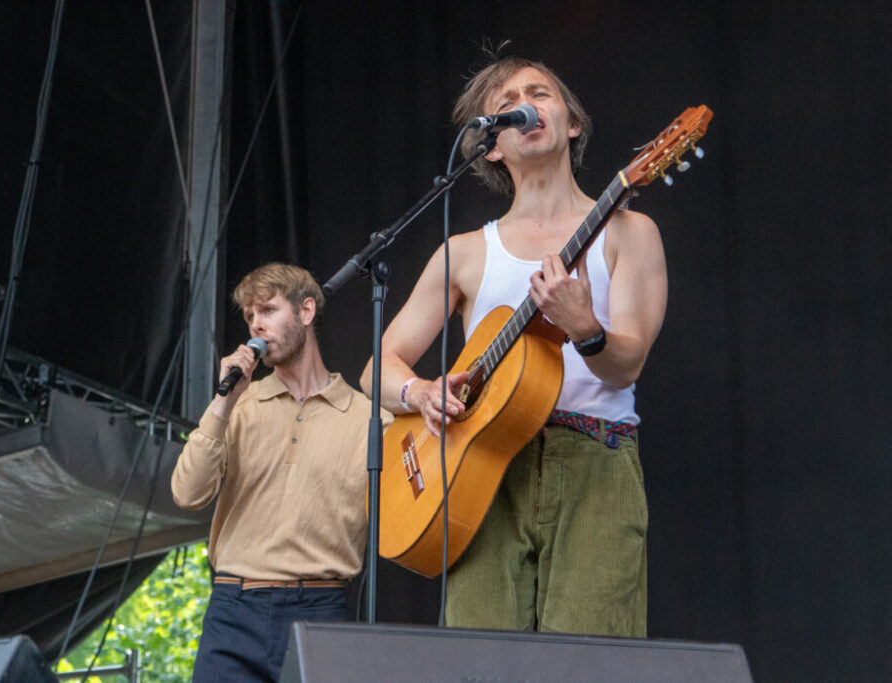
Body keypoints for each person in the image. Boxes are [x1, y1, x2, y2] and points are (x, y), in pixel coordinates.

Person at [360, 56, 667, 638]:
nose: (526, 104)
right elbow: (379, 368)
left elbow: (626, 366)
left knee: (590, 664)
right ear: (492, 147)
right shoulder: (464, 252)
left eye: (540, 93)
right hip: (479, 467)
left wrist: (585, 328)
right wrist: (420, 392)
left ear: (572, 123)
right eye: (507, 103)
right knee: (482, 664)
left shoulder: (630, 233)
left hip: (594, 459)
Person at [173, 263, 388, 682]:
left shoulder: (370, 419)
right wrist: (223, 402)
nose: (256, 324)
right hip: (234, 607)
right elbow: (187, 494)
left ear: (306, 312)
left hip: (321, 608)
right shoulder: (239, 405)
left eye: (268, 310)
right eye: (250, 316)